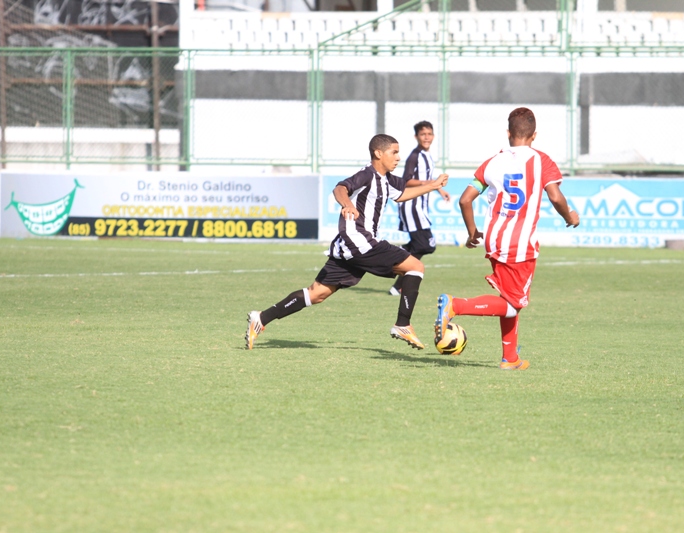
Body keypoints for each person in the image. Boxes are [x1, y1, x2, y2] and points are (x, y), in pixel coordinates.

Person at [246, 133, 449, 351]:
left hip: (349, 246)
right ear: (378, 153)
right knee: (415, 267)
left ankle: (261, 318)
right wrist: (346, 204)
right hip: (360, 241)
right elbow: (340, 188)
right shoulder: (366, 175)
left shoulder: (387, 179)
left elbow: (402, 193)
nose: (398, 157)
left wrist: (432, 185)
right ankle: (402, 324)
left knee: (317, 293)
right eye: (394, 152)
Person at [434, 107, 579, 370]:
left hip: (494, 239)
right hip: (520, 245)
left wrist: (472, 232)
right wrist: (570, 217)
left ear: (508, 133)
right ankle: (455, 305)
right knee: (512, 305)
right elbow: (556, 197)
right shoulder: (541, 160)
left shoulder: (493, 161)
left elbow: (465, 199)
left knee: (508, 298)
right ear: (534, 135)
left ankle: (509, 358)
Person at [389, 120, 450, 296]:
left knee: (423, 246)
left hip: (420, 206)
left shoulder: (428, 155)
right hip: (411, 205)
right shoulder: (414, 156)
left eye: (429, 134)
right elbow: (406, 180)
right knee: (425, 245)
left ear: (433, 136)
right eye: (423, 134)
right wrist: (429, 183)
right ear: (416, 136)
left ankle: (397, 286)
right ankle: (393, 253)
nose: (426, 137)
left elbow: (428, 178)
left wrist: (440, 190)